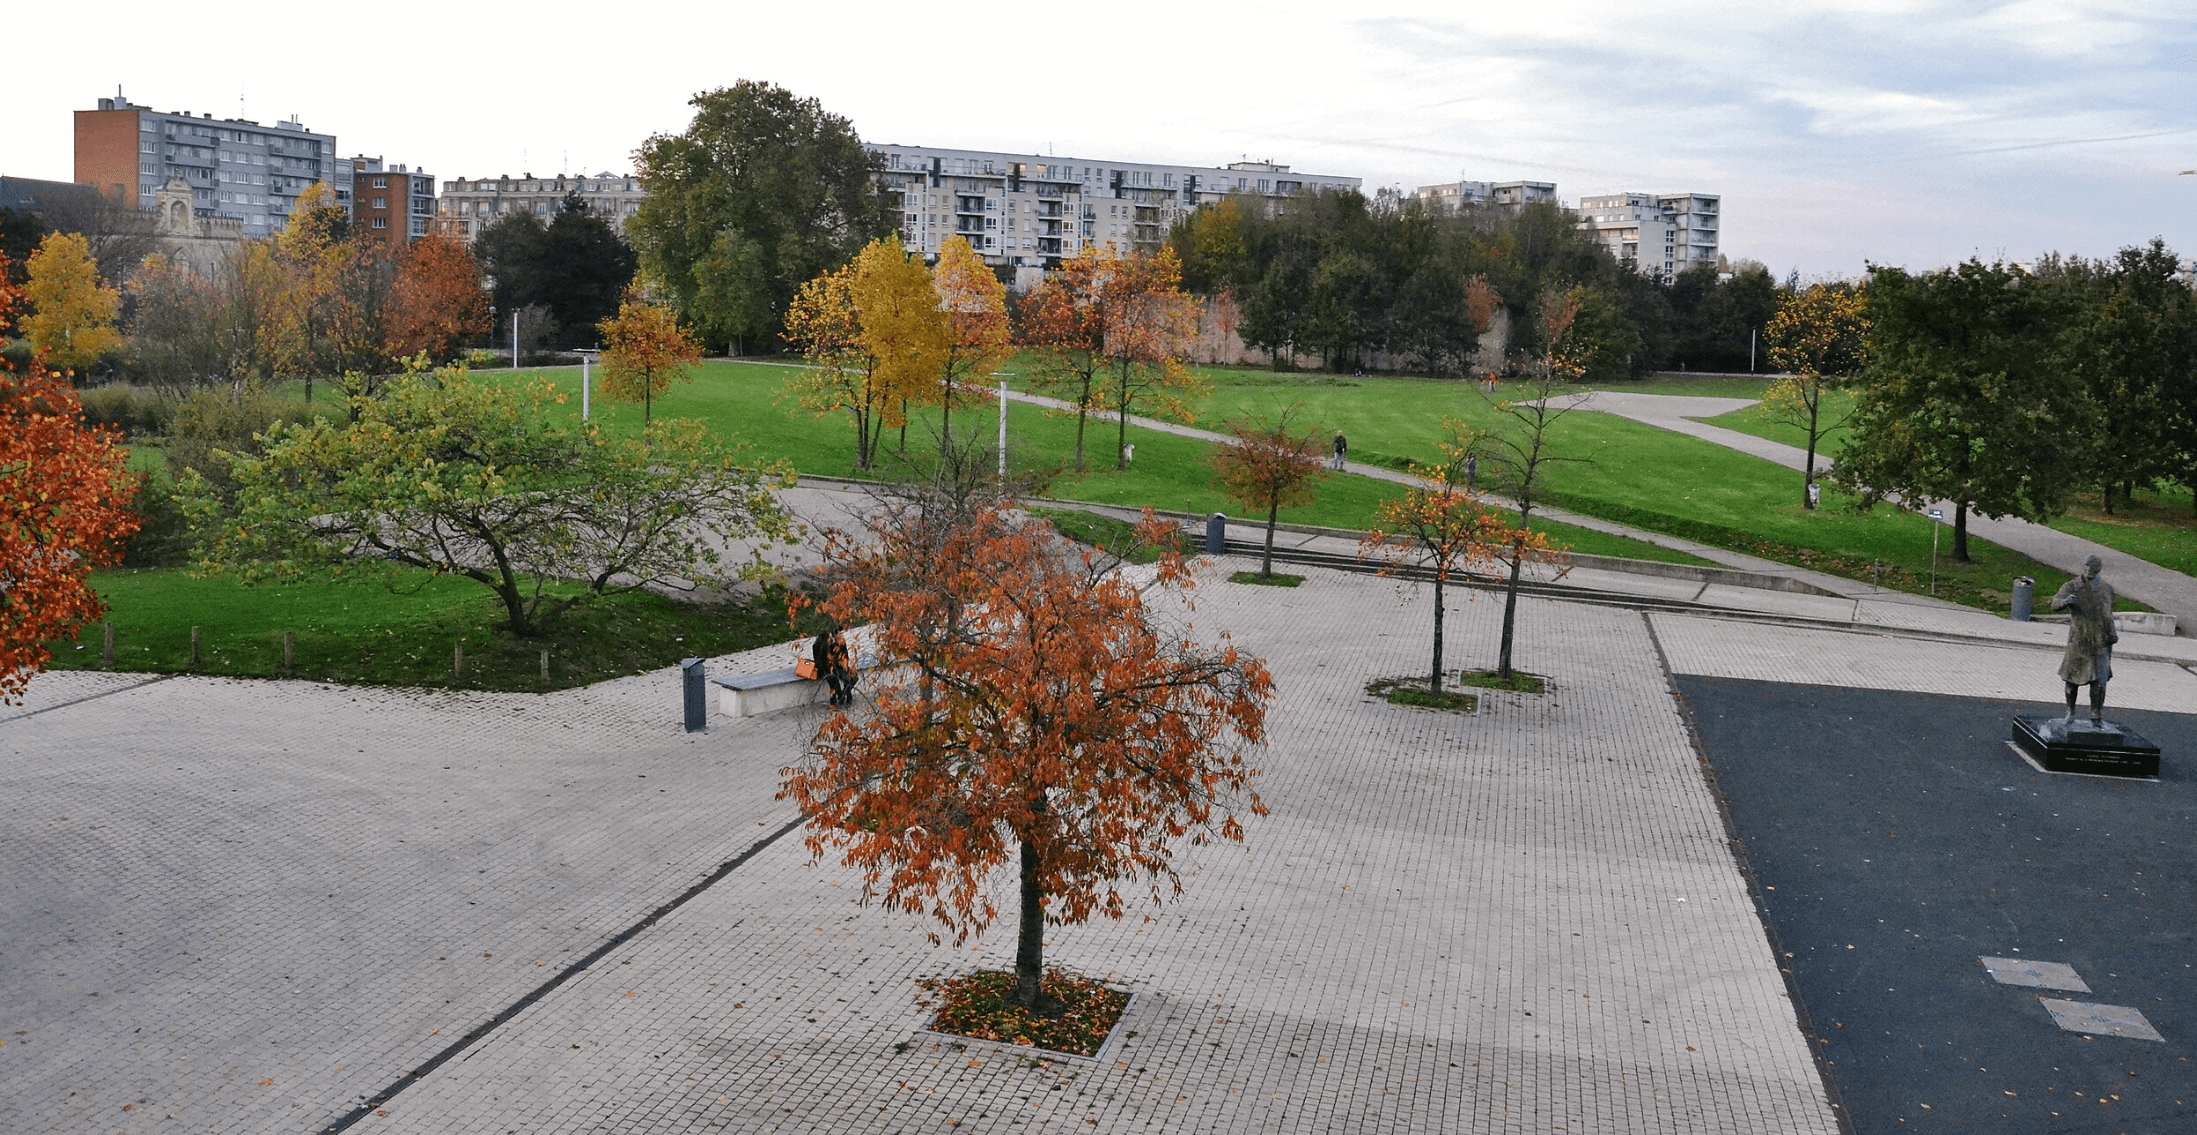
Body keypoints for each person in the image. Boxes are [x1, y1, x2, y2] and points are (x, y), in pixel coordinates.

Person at [2050, 555, 2116, 725]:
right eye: (2086, 565)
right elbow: (2055, 603)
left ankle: (2096, 715)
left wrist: (2112, 634)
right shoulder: (2072, 586)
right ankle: (2070, 712)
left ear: (2099, 568)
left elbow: (2108, 614)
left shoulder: (2106, 589)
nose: (2089, 569)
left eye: (2093, 566)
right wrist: (2065, 602)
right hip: (2079, 641)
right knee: (2072, 680)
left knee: (2099, 683)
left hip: (2101, 642)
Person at [816, 626, 855, 709]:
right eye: (840, 633)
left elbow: (846, 656)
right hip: (832, 668)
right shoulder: (829, 645)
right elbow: (828, 660)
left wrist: (845, 665)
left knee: (853, 677)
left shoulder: (842, 643)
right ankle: (842, 699)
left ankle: (845, 696)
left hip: (840, 667)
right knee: (838, 680)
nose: (842, 635)